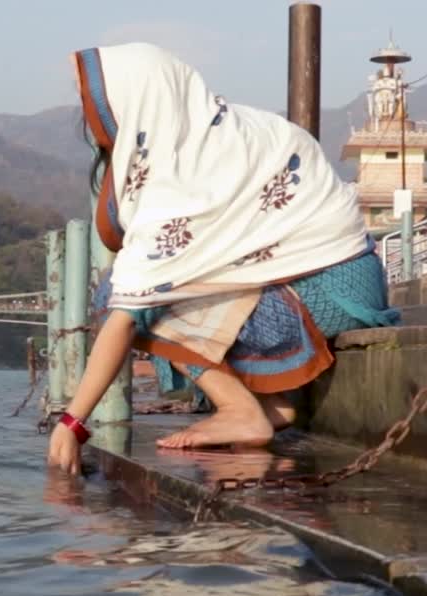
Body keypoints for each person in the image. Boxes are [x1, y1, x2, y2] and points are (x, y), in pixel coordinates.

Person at [48, 43, 399, 475]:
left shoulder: (178, 181)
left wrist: (72, 423)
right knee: (167, 283)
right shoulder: (243, 131)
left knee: (131, 297)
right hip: (360, 284)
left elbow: (124, 315)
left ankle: (239, 409)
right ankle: (270, 404)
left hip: (320, 297)